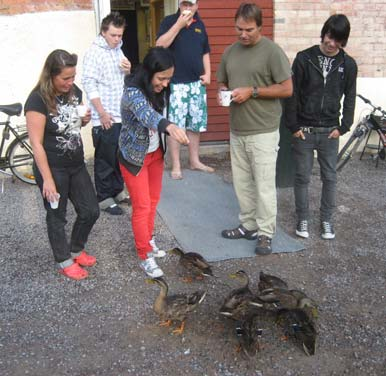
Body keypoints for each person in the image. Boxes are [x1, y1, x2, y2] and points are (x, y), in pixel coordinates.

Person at [217, 3, 293, 255]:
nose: (243, 34)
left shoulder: (272, 52)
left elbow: (287, 88)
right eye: (239, 29)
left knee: (263, 185)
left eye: (249, 29)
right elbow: (223, 82)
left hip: (263, 130)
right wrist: (223, 93)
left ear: (260, 26)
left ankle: (265, 232)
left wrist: (254, 91)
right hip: (237, 130)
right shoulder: (230, 52)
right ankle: (248, 225)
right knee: (242, 183)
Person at [25, 49, 100, 280]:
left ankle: (76, 249)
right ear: (51, 75)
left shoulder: (74, 92)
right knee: (57, 215)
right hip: (53, 168)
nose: (70, 82)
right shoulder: (37, 100)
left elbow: (74, 125)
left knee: (91, 210)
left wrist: (84, 121)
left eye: (73, 76)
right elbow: (36, 144)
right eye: (65, 78)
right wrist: (47, 179)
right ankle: (63, 258)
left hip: (76, 164)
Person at [284, 14, 357, 240]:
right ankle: (302, 218)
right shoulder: (305, 58)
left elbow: (351, 96)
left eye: (337, 40)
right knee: (302, 177)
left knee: (330, 177)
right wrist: (293, 125)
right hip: (303, 130)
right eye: (328, 36)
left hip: (330, 132)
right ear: (323, 33)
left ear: (343, 41)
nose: (331, 43)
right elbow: (292, 93)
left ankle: (326, 220)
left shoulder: (348, 64)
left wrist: (344, 126)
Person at [119, 47, 189, 278]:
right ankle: (144, 255)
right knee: (142, 206)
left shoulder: (158, 89)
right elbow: (147, 116)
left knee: (153, 201)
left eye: (169, 78)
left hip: (155, 153)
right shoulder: (132, 92)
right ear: (148, 72)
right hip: (134, 158)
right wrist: (169, 127)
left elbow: (160, 112)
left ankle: (148, 240)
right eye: (161, 78)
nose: (165, 84)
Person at [156, 0, 214, 180]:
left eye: (191, 5)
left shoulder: (200, 24)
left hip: (197, 84)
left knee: (195, 124)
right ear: (179, 5)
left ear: (197, 6)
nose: (187, 9)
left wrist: (208, 73)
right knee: (176, 125)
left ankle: (194, 161)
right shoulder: (169, 21)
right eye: (184, 5)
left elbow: (205, 51)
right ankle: (176, 165)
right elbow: (159, 45)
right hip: (176, 83)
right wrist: (178, 25)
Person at [82, 12, 131, 215]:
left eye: (120, 35)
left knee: (118, 156)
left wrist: (128, 70)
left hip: (119, 113)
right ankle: (103, 197)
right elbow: (89, 83)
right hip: (104, 116)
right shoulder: (94, 52)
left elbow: (121, 79)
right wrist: (101, 113)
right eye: (113, 35)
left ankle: (117, 191)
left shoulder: (117, 50)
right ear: (103, 32)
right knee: (104, 158)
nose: (117, 39)